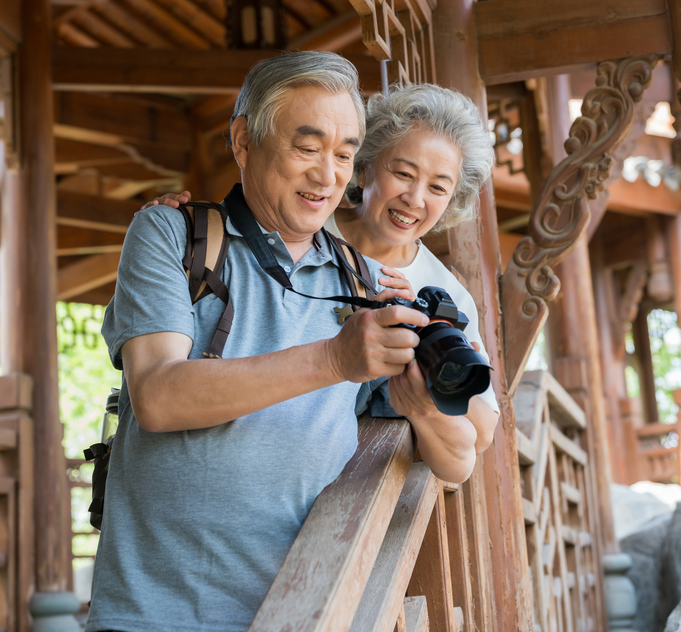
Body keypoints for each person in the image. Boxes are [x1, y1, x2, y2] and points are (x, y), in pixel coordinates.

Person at [86, 53, 479, 632]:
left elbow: (460, 459)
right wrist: (335, 358)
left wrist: (423, 403)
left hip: (306, 613)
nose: (328, 175)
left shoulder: (365, 284)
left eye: (345, 154)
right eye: (307, 146)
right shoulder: (174, 236)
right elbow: (158, 397)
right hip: (150, 615)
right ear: (244, 140)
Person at [149, 83, 501, 453]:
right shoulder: (302, 222)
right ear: (362, 169)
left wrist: (424, 354)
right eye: (403, 173)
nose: (414, 199)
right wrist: (177, 226)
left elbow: (482, 434)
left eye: (438, 188)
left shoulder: (443, 290)